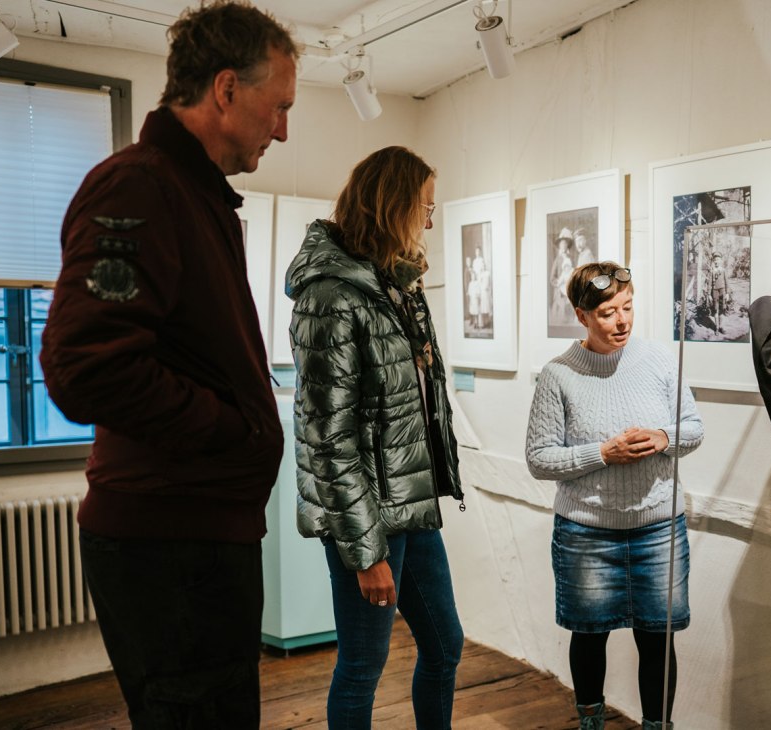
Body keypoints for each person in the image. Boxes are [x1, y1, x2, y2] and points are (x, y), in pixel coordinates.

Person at [39, 1, 295, 725]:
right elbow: (85, 366)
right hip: (170, 546)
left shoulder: (193, 194)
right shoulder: (141, 186)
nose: (283, 128)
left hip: (196, 536)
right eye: (278, 107)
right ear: (225, 91)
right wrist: (231, 430)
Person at [287, 146, 466, 730]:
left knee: (444, 646)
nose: (431, 222)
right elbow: (327, 437)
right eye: (425, 208)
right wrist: (367, 554)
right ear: (393, 207)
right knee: (363, 665)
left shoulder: (396, 286)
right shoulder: (330, 295)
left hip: (410, 501)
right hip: (365, 516)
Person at [525, 262, 704, 730]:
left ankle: (656, 726)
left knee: (657, 639)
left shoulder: (660, 361)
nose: (622, 322)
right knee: (589, 634)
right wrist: (602, 452)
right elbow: (540, 459)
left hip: (658, 527)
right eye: (607, 312)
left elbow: (694, 428)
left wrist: (664, 437)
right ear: (582, 316)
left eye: (627, 308)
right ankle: (591, 723)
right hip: (587, 532)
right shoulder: (558, 375)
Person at [550, 229, 576, 324]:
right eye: (562, 244)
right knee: (560, 314)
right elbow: (552, 278)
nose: (564, 246)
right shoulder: (557, 260)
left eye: (565, 244)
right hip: (559, 292)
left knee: (570, 314)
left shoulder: (571, 259)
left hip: (569, 290)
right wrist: (559, 283)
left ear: (567, 246)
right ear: (560, 246)